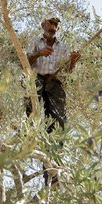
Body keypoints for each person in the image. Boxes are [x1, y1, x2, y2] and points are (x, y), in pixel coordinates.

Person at [25, 17, 80, 186]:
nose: (53, 27)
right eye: (50, 24)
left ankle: (52, 170)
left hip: (55, 82)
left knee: (58, 124)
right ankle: (31, 143)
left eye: (56, 25)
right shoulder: (36, 41)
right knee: (33, 117)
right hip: (37, 80)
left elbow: (68, 71)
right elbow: (25, 61)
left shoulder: (62, 47)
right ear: (43, 25)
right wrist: (39, 53)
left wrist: (72, 62)